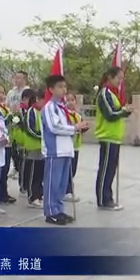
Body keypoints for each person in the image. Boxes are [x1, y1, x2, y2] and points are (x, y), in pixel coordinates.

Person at [41, 75, 88, 225]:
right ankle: (51, 212)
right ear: (51, 89)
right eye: (60, 87)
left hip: (66, 149)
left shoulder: (62, 108)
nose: (63, 90)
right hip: (55, 150)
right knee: (52, 182)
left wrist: (79, 126)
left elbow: (68, 126)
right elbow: (54, 127)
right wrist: (74, 127)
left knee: (62, 183)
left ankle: (59, 209)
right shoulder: (49, 107)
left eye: (64, 87)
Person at [94, 67, 131, 210]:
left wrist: (124, 112)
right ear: (110, 77)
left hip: (114, 137)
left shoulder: (113, 94)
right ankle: (103, 200)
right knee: (105, 169)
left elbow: (117, 112)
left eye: (122, 79)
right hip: (107, 136)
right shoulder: (104, 93)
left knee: (111, 169)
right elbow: (110, 114)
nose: (120, 81)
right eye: (118, 78)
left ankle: (108, 197)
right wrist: (123, 111)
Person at [6, 71, 30, 179]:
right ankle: (15, 166)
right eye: (16, 78)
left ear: (25, 79)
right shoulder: (11, 92)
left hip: (22, 121)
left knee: (21, 147)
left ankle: (22, 169)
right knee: (12, 146)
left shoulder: (28, 91)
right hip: (12, 122)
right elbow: (6, 105)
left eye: (20, 78)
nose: (18, 80)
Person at [24, 89, 45, 209]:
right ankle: (32, 197)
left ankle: (39, 195)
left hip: (41, 148)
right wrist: (42, 136)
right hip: (32, 148)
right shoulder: (31, 112)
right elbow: (30, 129)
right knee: (32, 173)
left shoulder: (42, 112)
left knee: (40, 173)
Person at [0, 84, 16, 204]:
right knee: (0, 170)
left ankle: (4, 193)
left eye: (3, 93)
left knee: (6, 168)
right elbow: (1, 120)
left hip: (8, 141)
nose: (1, 95)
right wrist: (10, 116)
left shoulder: (5, 107)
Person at [65, 93, 85, 202]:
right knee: (68, 169)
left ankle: (69, 189)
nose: (70, 102)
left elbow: (81, 126)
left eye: (72, 100)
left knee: (73, 169)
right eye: (68, 100)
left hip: (76, 145)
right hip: (68, 146)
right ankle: (67, 190)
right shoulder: (64, 114)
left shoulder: (77, 115)